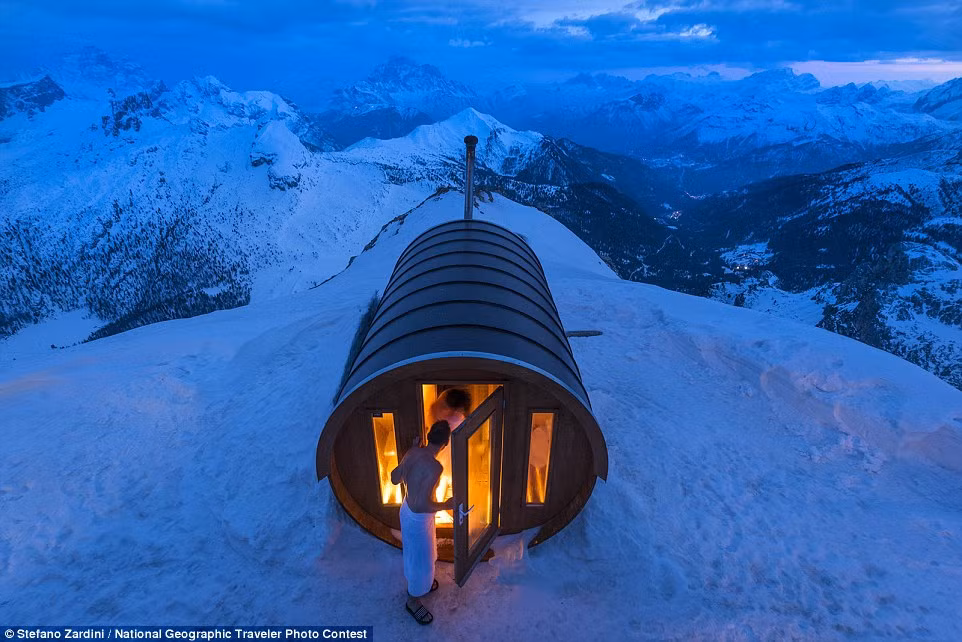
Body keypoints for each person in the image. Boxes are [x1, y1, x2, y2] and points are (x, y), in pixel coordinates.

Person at [390, 420, 455, 625]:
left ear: (428, 436)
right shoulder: (435, 468)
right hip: (418, 518)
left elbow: (394, 478)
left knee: (420, 555)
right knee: (420, 560)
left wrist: (410, 453)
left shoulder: (413, 452)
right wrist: (446, 505)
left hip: (406, 511)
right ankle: (413, 600)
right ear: (445, 444)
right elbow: (421, 505)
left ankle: (423, 583)